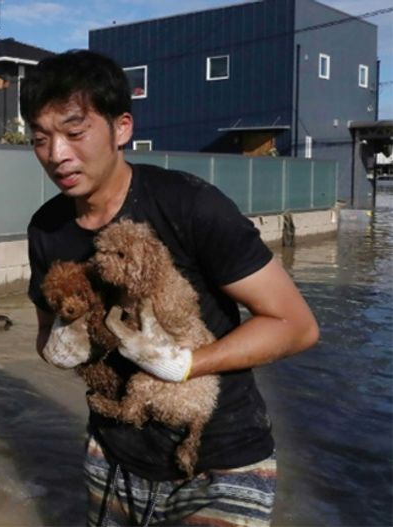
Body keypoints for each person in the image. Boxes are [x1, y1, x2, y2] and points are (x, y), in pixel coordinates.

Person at [19, 50, 319, 526]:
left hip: (221, 460)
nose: (57, 154)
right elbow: (44, 333)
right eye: (40, 139)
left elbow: (296, 326)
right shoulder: (47, 230)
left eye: (74, 133)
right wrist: (59, 345)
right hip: (112, 455)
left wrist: (185, 364)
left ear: (121, 128)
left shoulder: (190, 205)